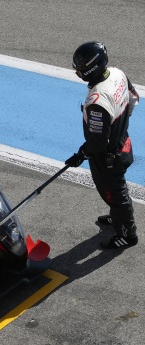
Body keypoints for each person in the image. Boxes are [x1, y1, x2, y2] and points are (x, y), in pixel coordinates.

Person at [65, 41, 139, 249]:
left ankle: (127, 234)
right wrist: (120, 125)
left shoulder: (97, 102)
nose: (78, 74)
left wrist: (81, 154)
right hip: (123, 141)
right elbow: (133, 98)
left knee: (116, 194)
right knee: (115, 194)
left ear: (90, 70)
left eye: (80, 71)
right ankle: (118, 216)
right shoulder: (117, 74)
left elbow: (97, 144)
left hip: (108, 158)